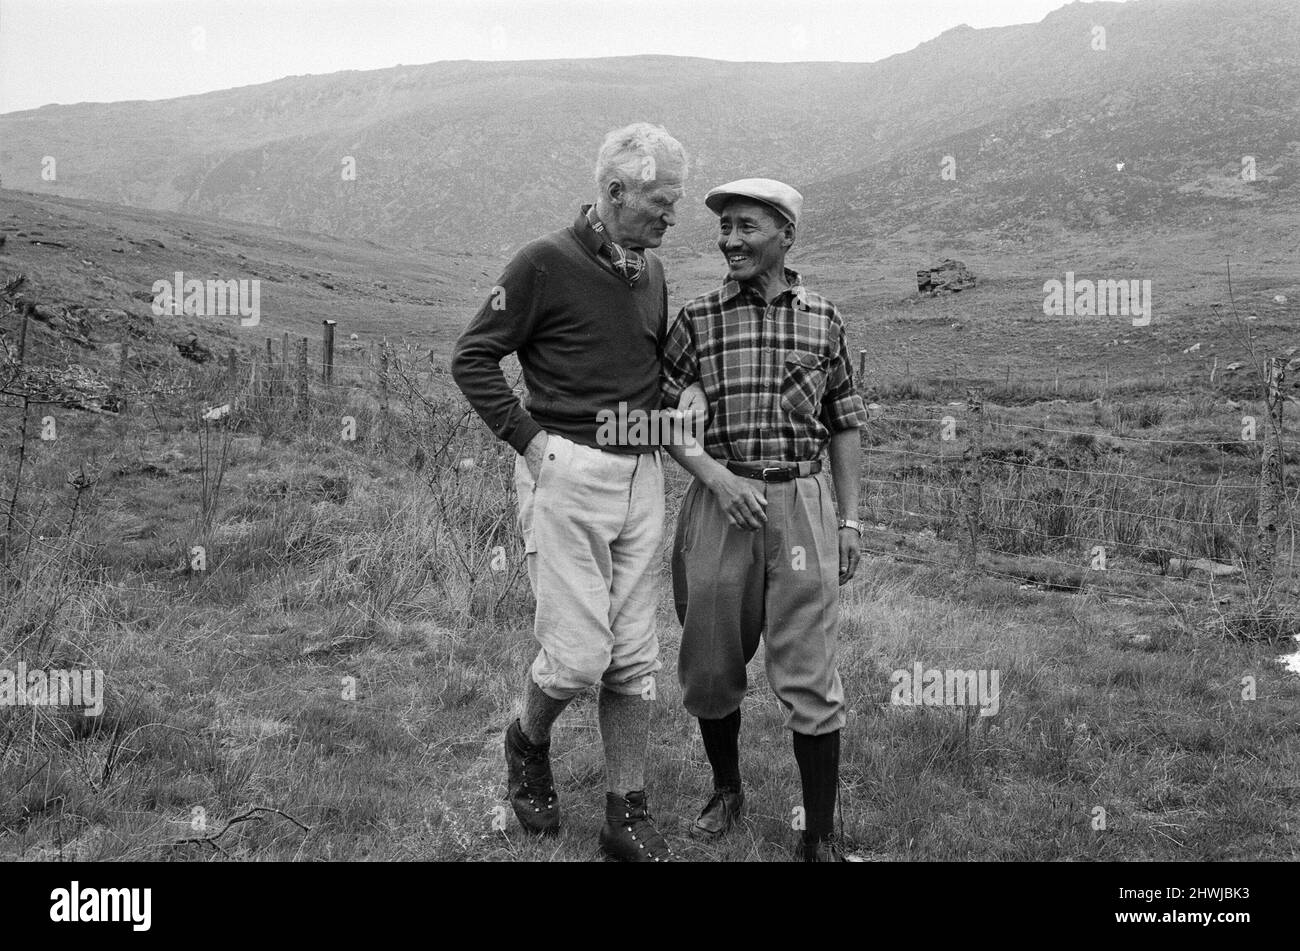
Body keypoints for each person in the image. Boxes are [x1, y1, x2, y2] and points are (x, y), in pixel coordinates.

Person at [451, 123, 703, 862]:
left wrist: (678, 395)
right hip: (566, 475)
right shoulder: (541, 264)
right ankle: (526, 739)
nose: (671, 217)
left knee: (633, 659)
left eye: (676, 202)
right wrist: (535, 446)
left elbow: (640, 371)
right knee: (576, 656)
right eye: (660, 201)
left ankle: (625, 812)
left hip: (641, 476)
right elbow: (472, 358)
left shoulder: (651, 271)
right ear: (614, 192)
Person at [660, 178, 868, 862]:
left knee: (810, 667)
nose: (730, 240)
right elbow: (664, 419)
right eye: (724, 229)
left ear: (785, 233)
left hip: (803, 507)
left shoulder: (824, 319)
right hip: (722, 503)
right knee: (712, 659)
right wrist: (716, 478)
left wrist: (850, 521)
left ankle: (820, 835)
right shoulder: (696, 319)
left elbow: (844, 422)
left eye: (746, 227)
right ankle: (727, 790)